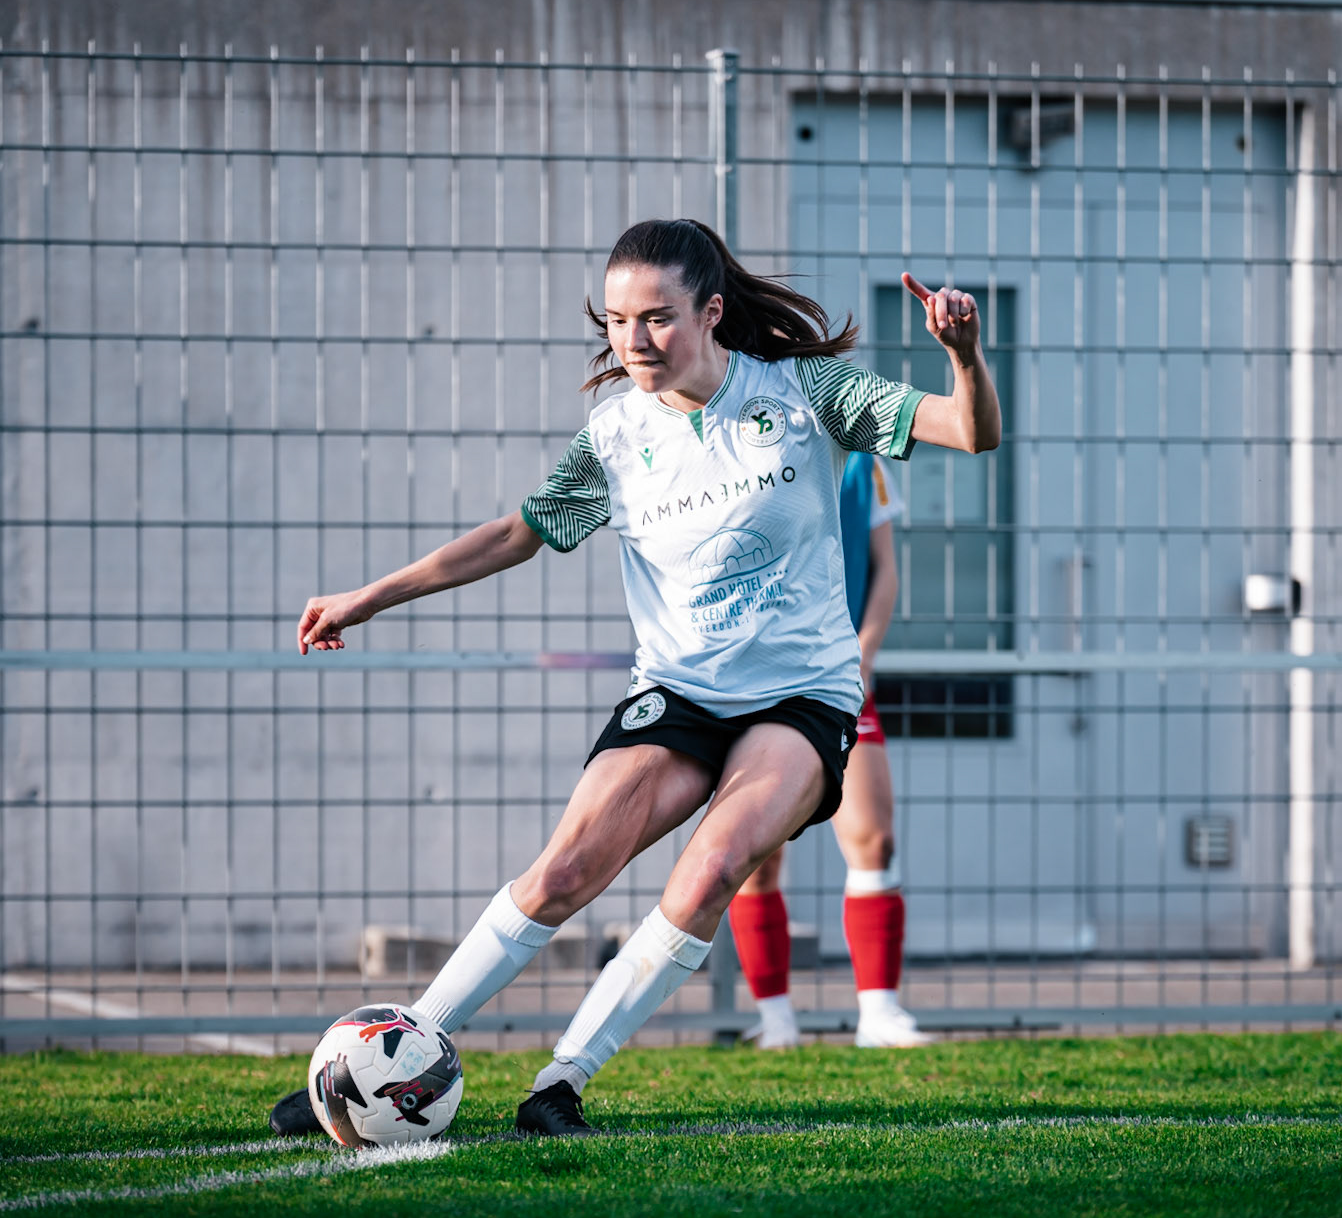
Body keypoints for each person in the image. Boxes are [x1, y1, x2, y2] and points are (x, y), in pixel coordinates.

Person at [269, 219, 1000, 1139]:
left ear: (712, 312)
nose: (634, 341)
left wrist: (963, 357)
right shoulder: (613, 435)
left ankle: (560, 1084)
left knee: (710, 871)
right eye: (616, 321)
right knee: (564, 870)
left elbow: (970, 433)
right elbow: (514, 534)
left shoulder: (804, 391)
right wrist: (369, 597)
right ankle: (389, 1061)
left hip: (801, 695)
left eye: (657, 318)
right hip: (679, 693)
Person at [728, 449, 926, 1048]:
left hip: (839, 679)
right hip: (757, 682)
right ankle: (776, 1022)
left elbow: (886, 570)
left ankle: (879, 1015)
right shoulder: (741, 449)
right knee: (757, 855)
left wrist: (862, 656)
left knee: (873, 839)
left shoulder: (862, 460)